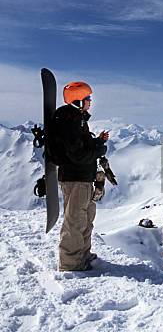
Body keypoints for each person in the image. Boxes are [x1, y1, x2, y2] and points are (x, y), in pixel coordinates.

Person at [51, 81, 109, 272]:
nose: (90, 102)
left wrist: (98, 142)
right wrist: (99, 149)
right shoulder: (70, 121)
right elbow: (78, 155)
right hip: (75, 178)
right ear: (78, 101)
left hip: (83, 178)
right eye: (87, 99)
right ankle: (70, 264)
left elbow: (81, 147)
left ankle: (83, 255)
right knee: (74, 221)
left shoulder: (78, 120)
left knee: (86, 218)